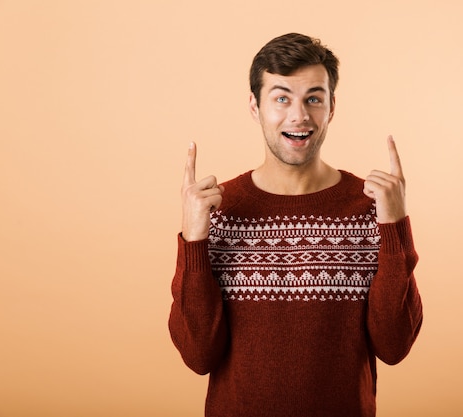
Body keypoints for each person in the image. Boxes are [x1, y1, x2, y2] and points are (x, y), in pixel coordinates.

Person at [168, 33, 423, 417]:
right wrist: (193, 240)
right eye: (282, 98)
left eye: (313, 98)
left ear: (332, 106)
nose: (299, 115)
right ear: (255, 107)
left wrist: (395, 228)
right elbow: (198, 354)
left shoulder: (371, 208)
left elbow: (394, 346)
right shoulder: (217, 212)